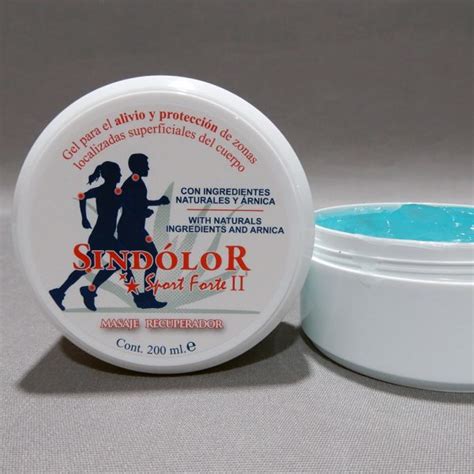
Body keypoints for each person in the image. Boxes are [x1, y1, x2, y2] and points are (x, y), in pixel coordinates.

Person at [49, 161, 130, 311]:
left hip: (105, 235)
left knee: (96, 265)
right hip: (101, 236)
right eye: (118, 172)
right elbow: (82, 197)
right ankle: (83, 291)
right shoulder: (104, 191)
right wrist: (84, 218)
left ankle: (63, 291)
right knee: (118, 261)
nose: (120, 175)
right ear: (111, 175)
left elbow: (131, 205)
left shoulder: (115, 192)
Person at [117, 153, 170, 309]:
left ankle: (142, 297)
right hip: (131, 229)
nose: (148, 168)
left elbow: (138, 202)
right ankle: (146, 297)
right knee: (151, 259)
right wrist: (142, 212)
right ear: (137, 166)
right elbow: (127, 203)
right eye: (145, 164)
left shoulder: (136, 182)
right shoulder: (133, 183)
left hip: (132, 228)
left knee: (124, 262)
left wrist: (157, 202)